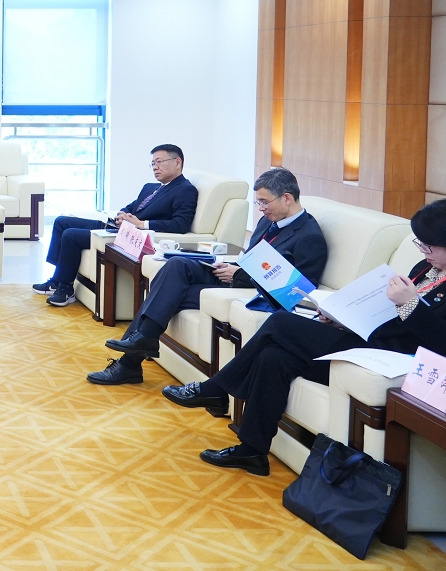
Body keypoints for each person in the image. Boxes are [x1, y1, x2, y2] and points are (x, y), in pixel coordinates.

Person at [162, 200, 446, 476]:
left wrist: (410, 305)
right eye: (420, 244)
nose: (423, 252)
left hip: (392, 360)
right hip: (363, 341)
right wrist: (341, 319)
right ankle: (251, 451)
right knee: (274, 357)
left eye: (429, 245)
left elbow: (439, 342)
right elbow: (383, 315)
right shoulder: (424, 269)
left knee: (280, 322)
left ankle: (216, 388)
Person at [88, 168, 327, 386]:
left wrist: (240, 274)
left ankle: (130, 361)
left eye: (264, 202)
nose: (261, 209)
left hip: (250, 289)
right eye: (258, 202)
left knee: (166, 294)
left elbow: (300, 289)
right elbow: (255, 257)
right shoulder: (268, 220)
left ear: (287, 198)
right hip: (233, 274)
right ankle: (141, 344)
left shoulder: (309, 236)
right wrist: (232, 265)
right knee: (176, 265)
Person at [36, 144, 198, 307]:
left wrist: (141, 224)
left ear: (177, 162)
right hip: (118, 228)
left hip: (132, 237)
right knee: (61, 222)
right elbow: (131, 207)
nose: (155, 167)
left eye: (159, 162)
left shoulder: (185, 190)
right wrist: (122, 215)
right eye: (153, 163)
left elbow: (181, 224)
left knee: (71, 235)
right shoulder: (151, 187)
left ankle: (65, 289)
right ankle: (57, 280)